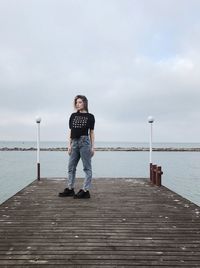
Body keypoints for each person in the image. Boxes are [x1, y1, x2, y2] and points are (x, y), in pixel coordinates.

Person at [59, 95, 95, 199]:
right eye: (76, 102)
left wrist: (93, 147)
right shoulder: (73, 115)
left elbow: (91, 132)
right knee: (71, 167)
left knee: (87, 168)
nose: (77, 104)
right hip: (74, 143)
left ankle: (85, 190)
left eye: (79, 102)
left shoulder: (90, 116)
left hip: (85, 142)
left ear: (84, 103)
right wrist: (69, 145)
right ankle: (70, 189)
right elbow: (71, 131)